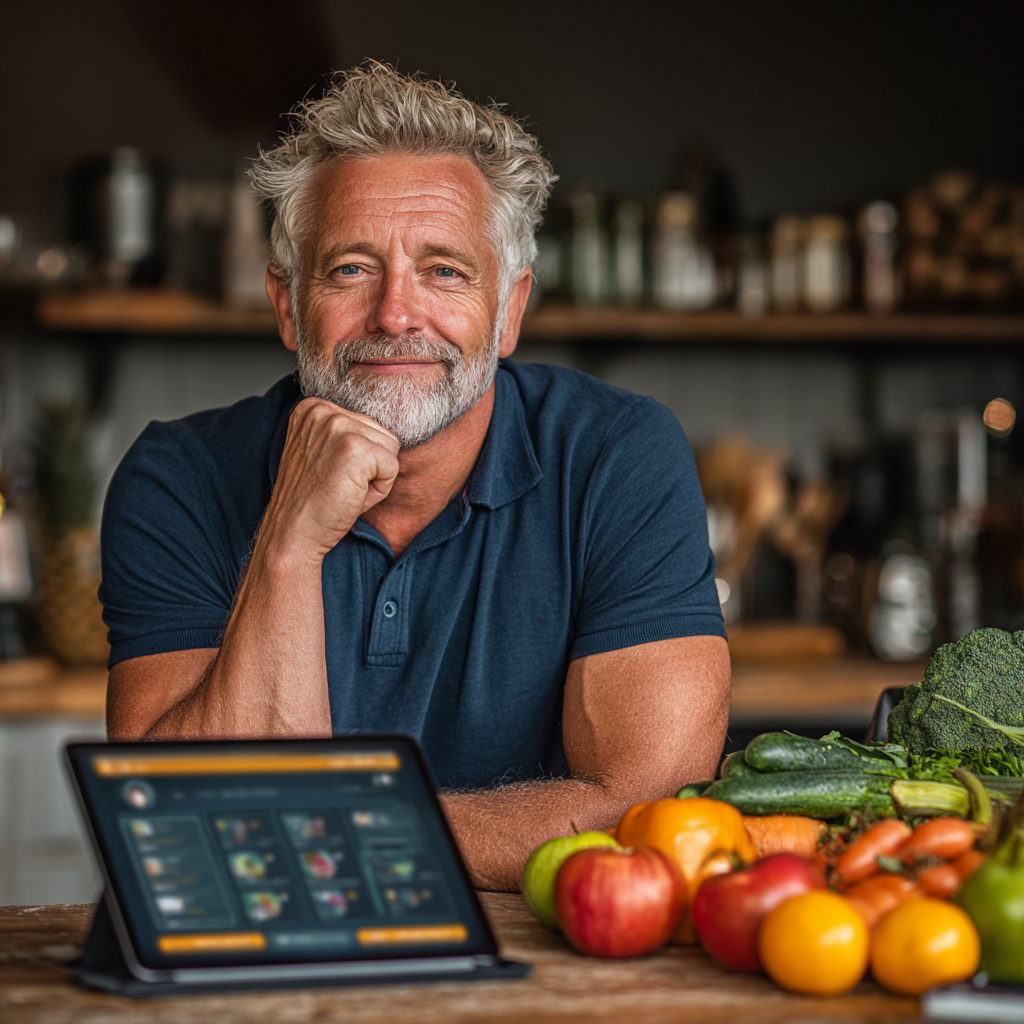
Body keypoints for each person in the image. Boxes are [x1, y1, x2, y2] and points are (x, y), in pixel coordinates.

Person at [101, 65, 730, 890]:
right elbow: (183, 833)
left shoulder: (617, 453)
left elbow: (654, 810)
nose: (396, 314)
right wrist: (289, 541)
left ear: (509, 311)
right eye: (351, 270)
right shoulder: (178, 477)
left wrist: (325, 832)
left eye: (444, 271)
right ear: (288, 305)